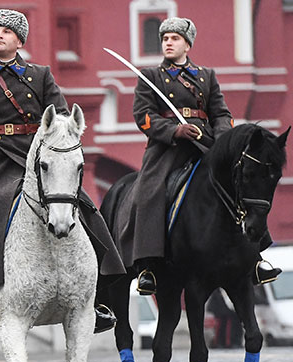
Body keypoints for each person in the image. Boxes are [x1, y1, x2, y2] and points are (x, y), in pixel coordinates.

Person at [0, 9, 124, 338]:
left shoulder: (40, 75)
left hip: (34, 157)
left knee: (86, 209)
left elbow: (62, 118)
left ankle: (99, 297)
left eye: (6, 31)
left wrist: (62, 144)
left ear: (19, 40)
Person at [114, 17, 280, 296]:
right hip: (167, 150)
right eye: (165, 38)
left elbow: (221, 113)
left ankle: (256, 258)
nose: (168, 42)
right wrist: (175, 130)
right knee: (148, 192)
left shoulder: (206, 76)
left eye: (174, 38)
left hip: (207, 145)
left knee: (240, 186)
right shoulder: (150, 77)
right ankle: (148, 266)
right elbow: (143, 117)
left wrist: (223, 139)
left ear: (187, 44)